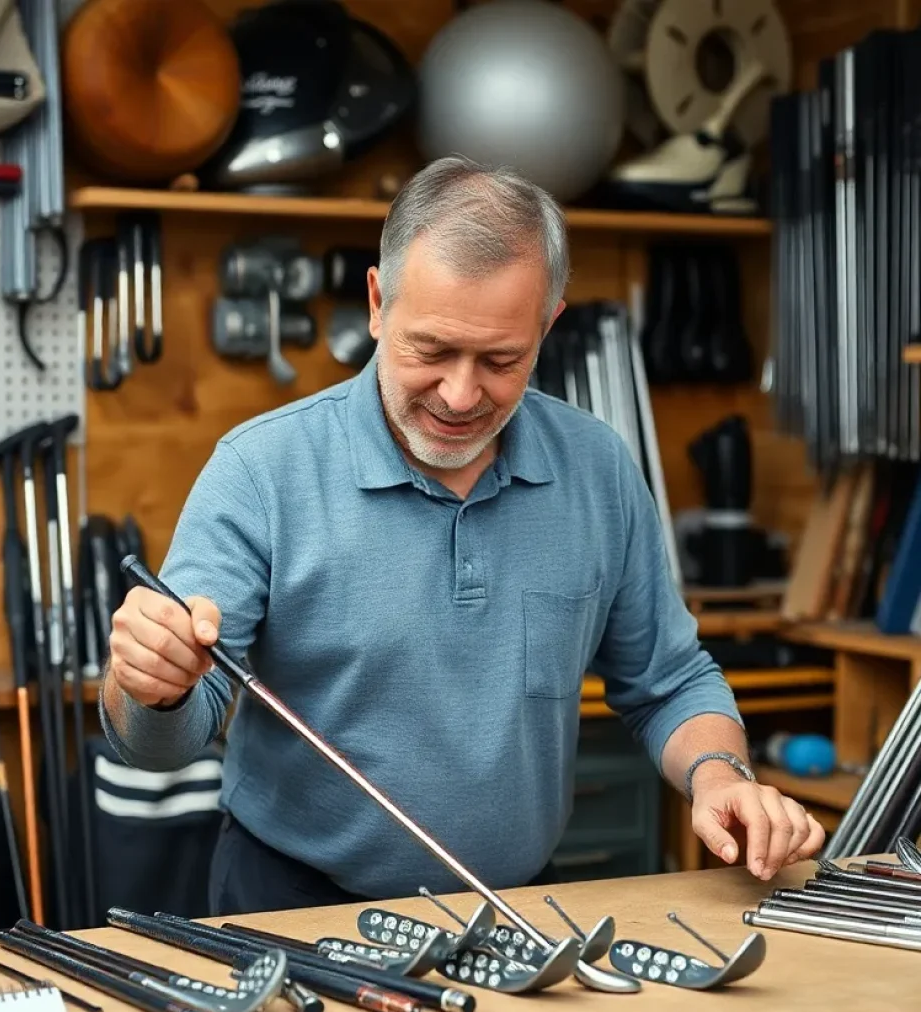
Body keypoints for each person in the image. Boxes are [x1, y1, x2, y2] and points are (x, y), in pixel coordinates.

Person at [99, 156, 825, 915]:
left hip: (511, 907)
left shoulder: (599, 470)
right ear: (378, 305)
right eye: (432, 350)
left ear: (549, 325)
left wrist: (720, 776)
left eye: (501, 360)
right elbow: (158, 742)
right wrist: (148, 684)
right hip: (292, 906)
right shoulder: (260, 471)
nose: (460, 393)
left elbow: (670, 680)